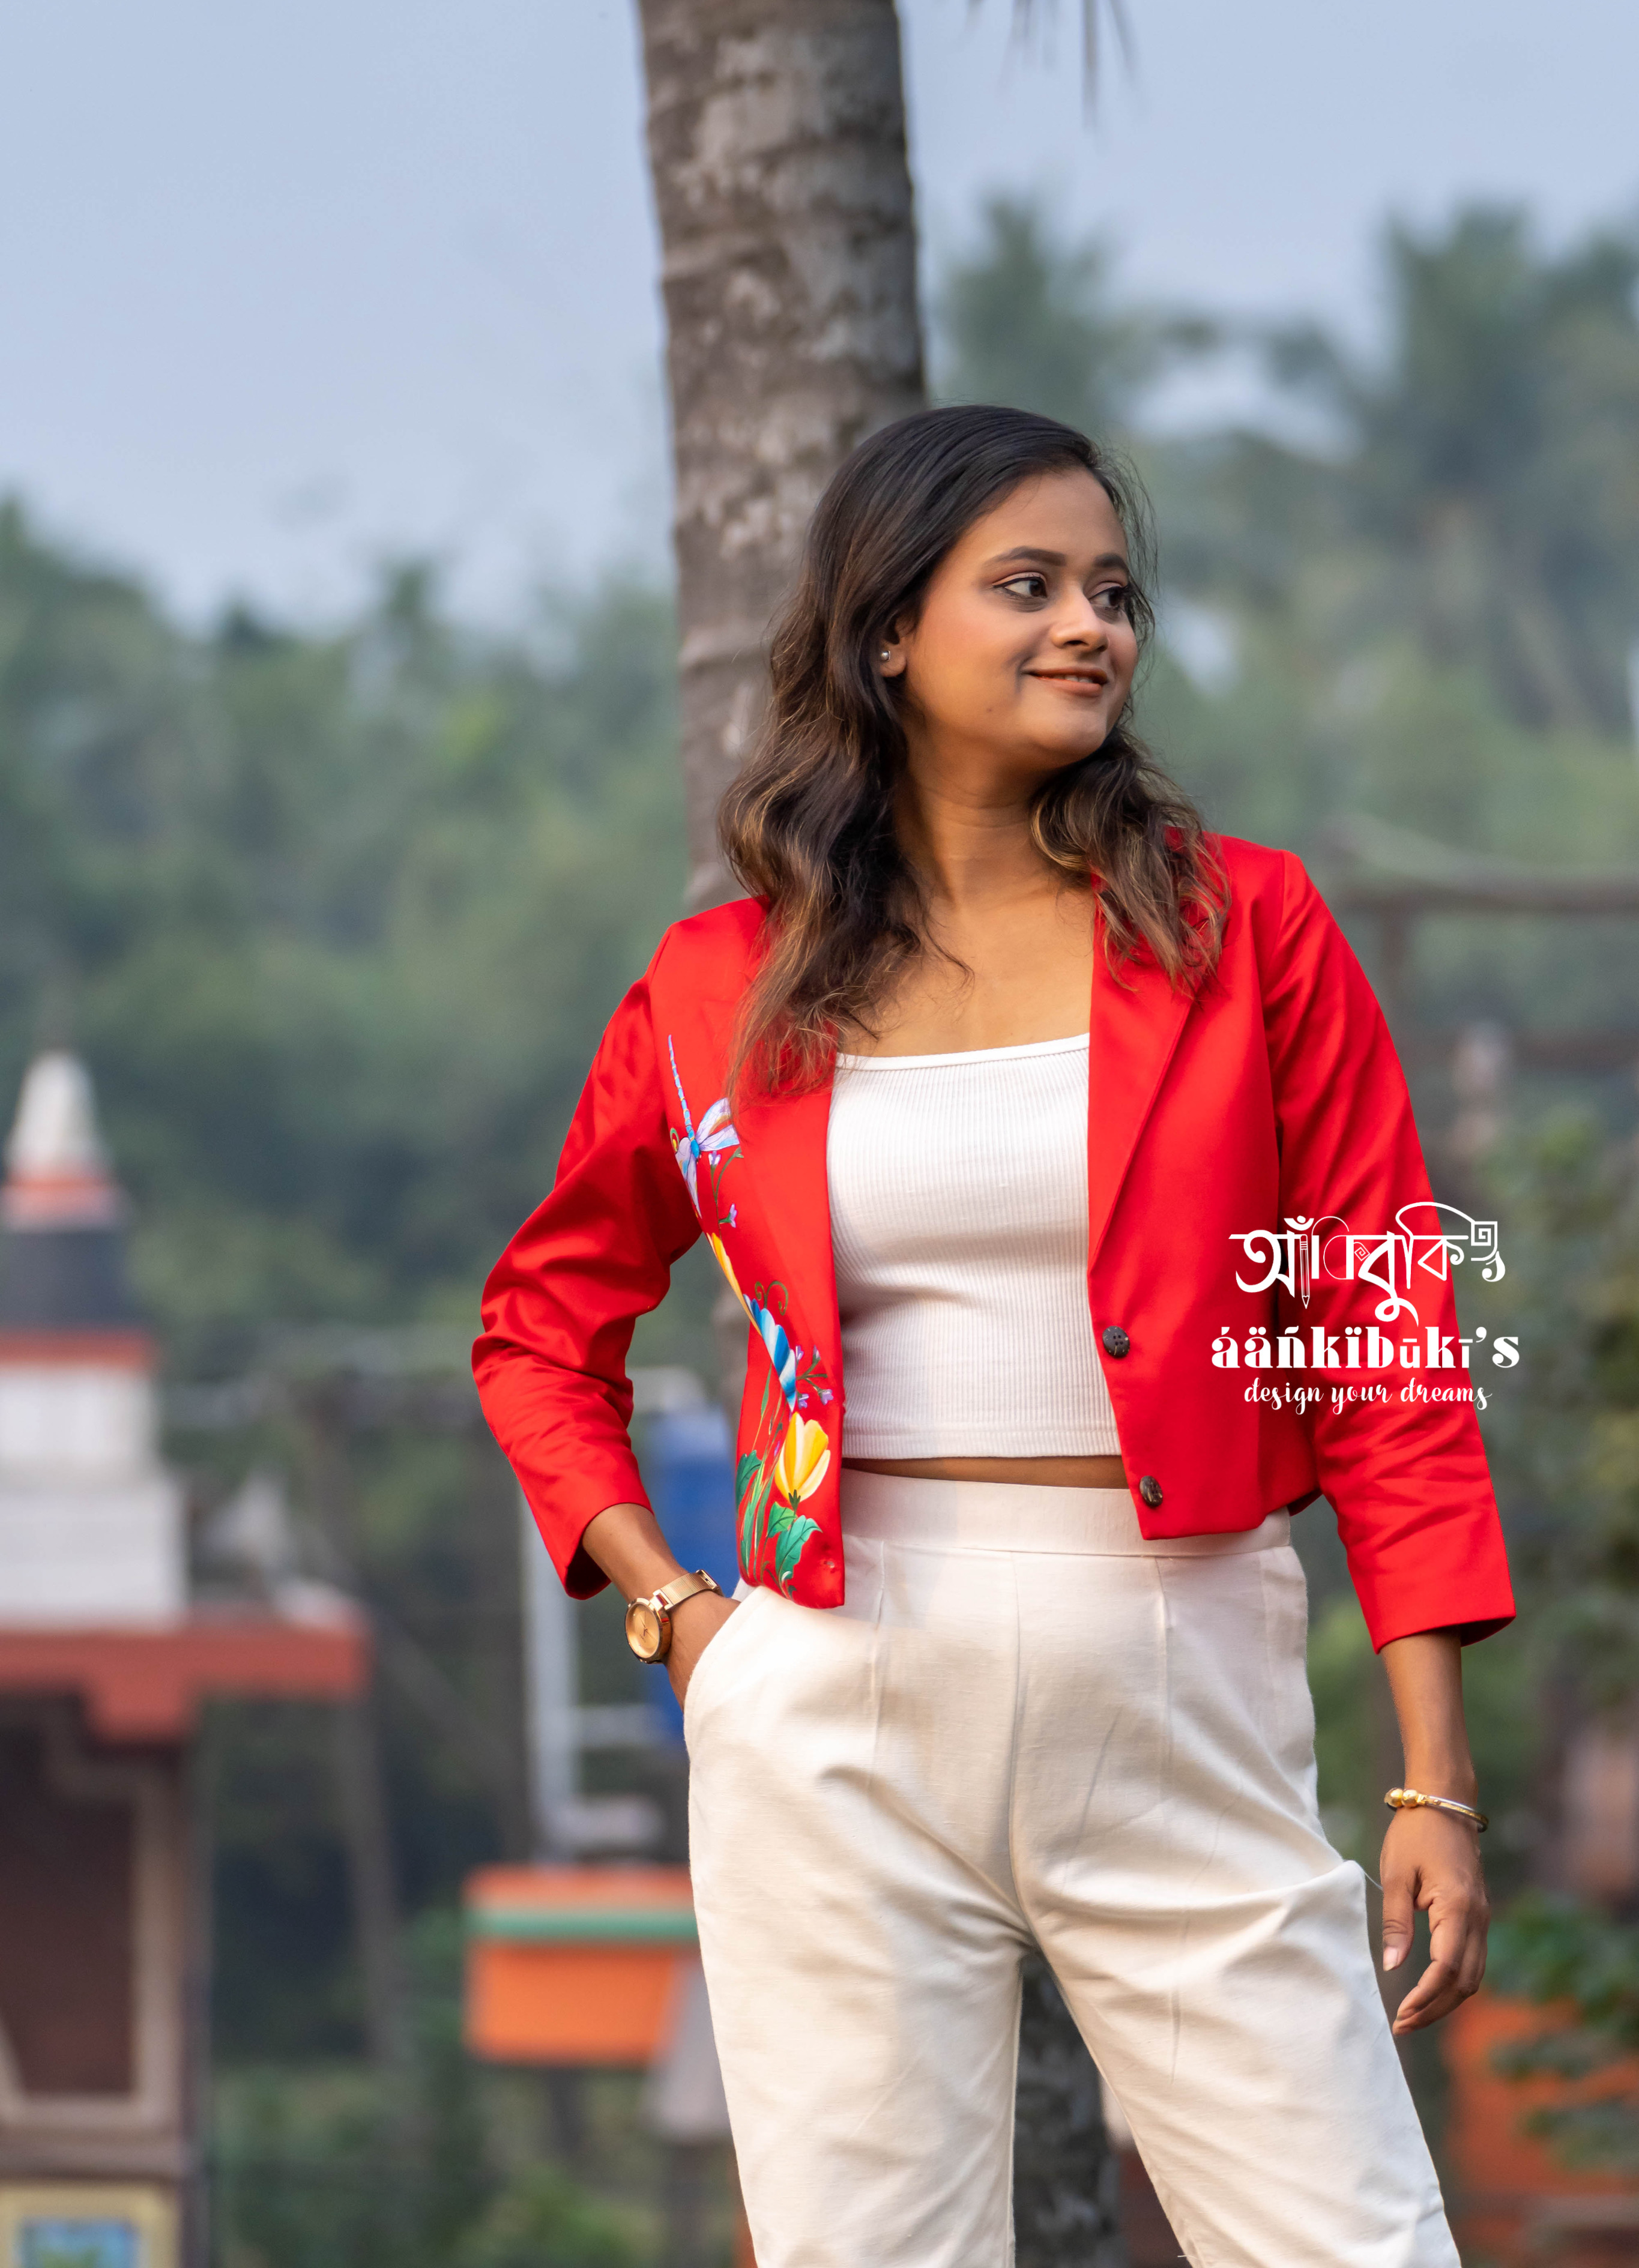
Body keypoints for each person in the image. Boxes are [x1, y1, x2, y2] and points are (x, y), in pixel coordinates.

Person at [475, 405, 1514, 2268]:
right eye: (1025, 586)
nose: (1087, 625)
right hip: (832, 1677)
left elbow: (1384, 1345)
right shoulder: (719, 987)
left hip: (1176, 1657)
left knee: (1352, 2242)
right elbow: (541, 1324)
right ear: (887, 630)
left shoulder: (1248, 931)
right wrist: (680, 1619)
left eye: (1111, 591)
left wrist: (1431, 1776)